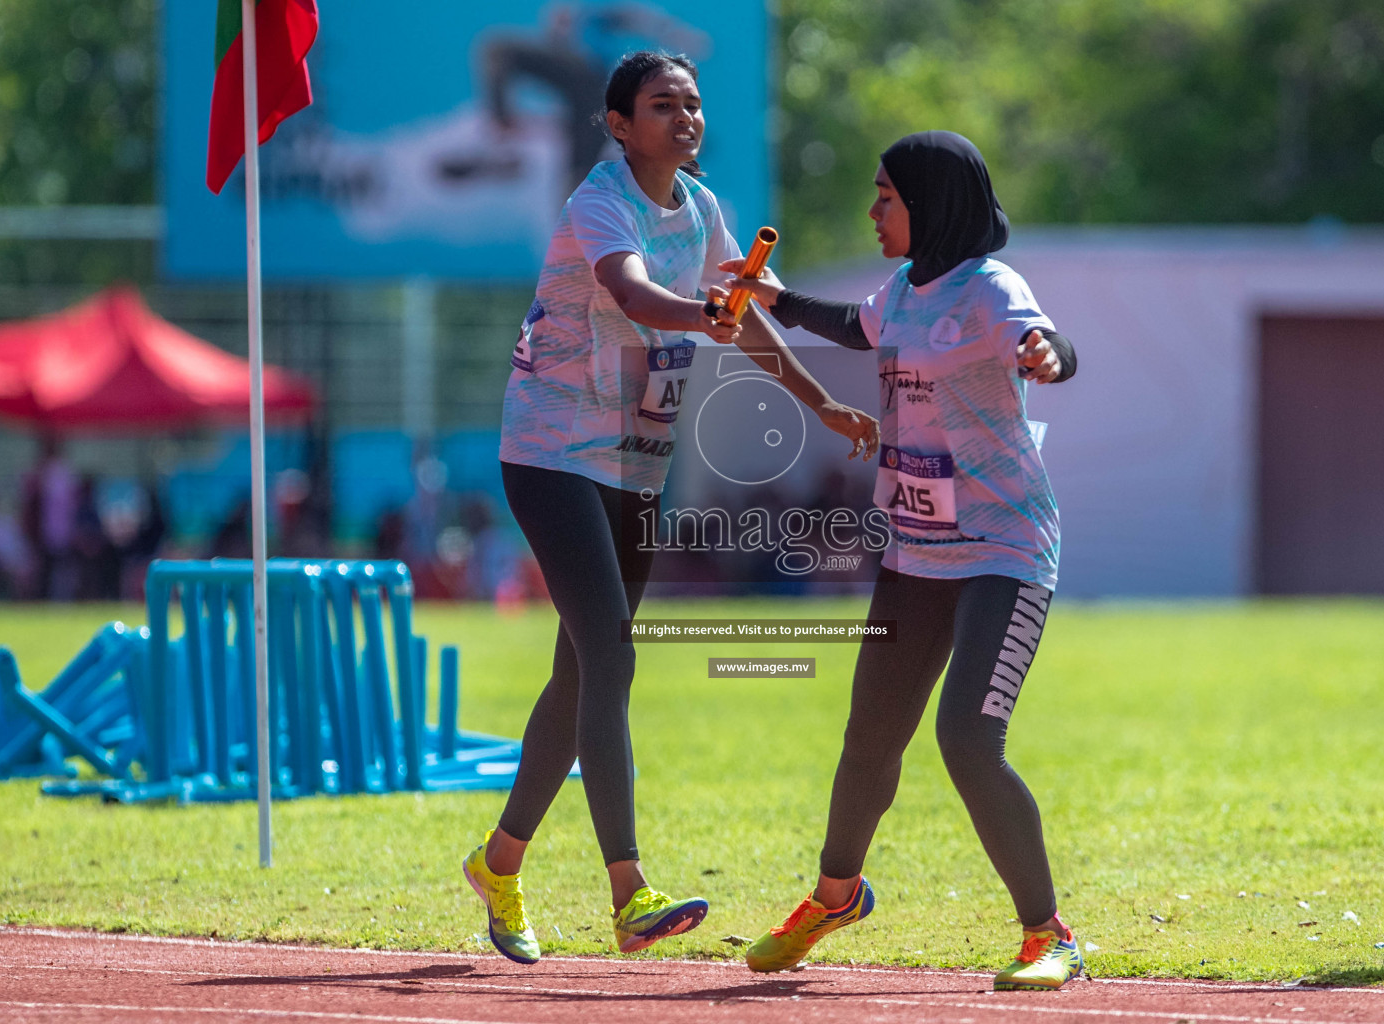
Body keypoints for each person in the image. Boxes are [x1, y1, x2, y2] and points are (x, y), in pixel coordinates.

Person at [464, 50, 878, 966]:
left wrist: (822, 404)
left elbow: (744, 315)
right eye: (663, 105)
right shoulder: (599, 201)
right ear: (618, 123)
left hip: (637, 465)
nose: (685, 117)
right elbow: (631, 291)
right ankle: (628, 892)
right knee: (611, 657)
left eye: (692, 103)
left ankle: (499, 864)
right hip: (552, 452)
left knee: (584, 674)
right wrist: (701, 319)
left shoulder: (705, 208)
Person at [721, 130, 1084, 991]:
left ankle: (1049, 936)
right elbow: (861, 326)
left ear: (931, 202)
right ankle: (835, 896)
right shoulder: (905, 288)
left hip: (1003, 548)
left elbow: (1053, 347)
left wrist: (1047, 358)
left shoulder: (992, 290)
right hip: (917, 550)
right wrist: (781, 299)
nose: (873, 210)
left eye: (886, 196)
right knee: (870, 736)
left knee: (967, 737)